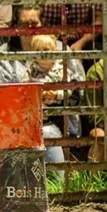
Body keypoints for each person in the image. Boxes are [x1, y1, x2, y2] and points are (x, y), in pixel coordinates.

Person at [19, 34, 84, 165]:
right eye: (38, 50)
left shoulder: (61, 69)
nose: (42, 54)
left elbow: (69, 90)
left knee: (63, 135)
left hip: (58, 114)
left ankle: (65, 161)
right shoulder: (30, 71)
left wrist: (56, 95)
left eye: (46, 50)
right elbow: (24, 90)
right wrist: (36, 94)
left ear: (54, 51)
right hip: (37, 112)